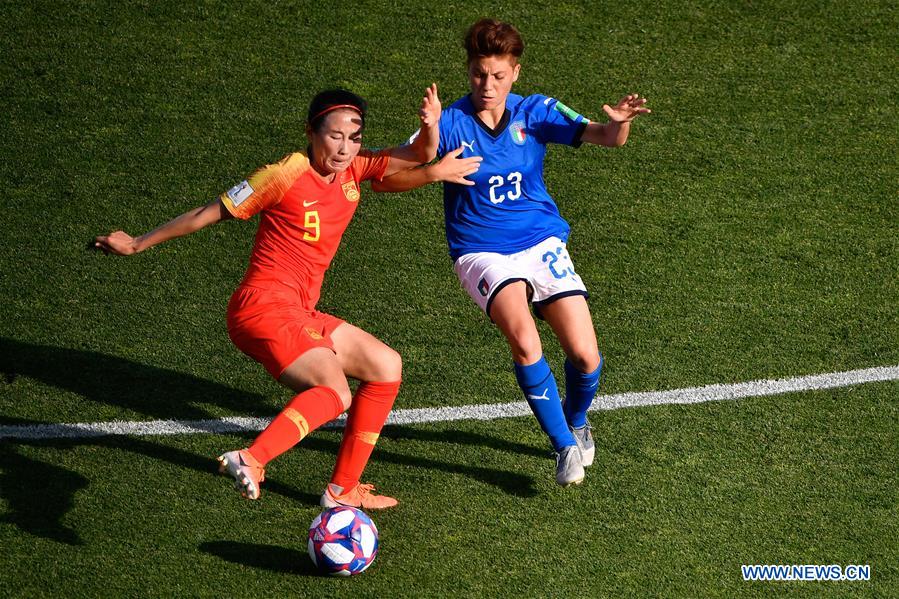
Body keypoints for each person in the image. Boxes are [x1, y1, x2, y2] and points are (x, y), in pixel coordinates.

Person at [94, 85, 479, 508]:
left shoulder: (354, 169)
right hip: (261, 307)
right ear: (311, 132)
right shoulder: (284, 173)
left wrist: (431, 126)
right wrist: (136, 244)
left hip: (299, 310)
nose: (345, 148)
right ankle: (252, 458)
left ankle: (341, 490)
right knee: (335, 393)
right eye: (335, 136)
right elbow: (207, 214)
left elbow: (420, 154)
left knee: (386, 365)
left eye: (354, 138)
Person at [374, 19, 650, 487]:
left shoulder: (536, 111)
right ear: (469, 70)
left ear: (515, 74)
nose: (487, 85)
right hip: (482, 251)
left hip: (541, 242)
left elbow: (605, 137)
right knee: (524, 338)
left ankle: (576, 420)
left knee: (585, 355)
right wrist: (433, 171)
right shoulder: (449, 124)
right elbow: (383, 179)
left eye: (498, 76)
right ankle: (563, 446)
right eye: (480, 74)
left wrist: (618, 125)